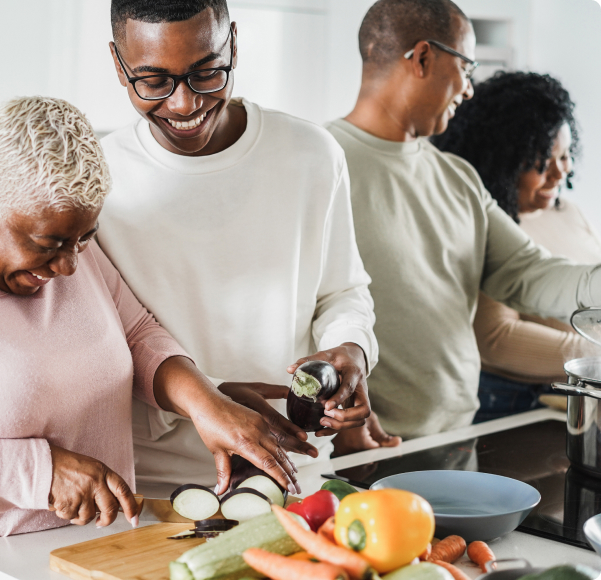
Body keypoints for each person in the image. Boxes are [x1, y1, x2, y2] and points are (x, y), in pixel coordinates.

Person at [0, 96, 301, 580]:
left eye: (84, 240)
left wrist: (204, 401)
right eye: (49, 246)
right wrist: (42, 474)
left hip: (103, 557)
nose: (69, 267)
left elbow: (135, 333)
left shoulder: (63, 234)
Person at [97, 0, 400, 488]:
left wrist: (352, 349)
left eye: (207, 73)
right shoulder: (99, 179)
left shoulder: (311, 153)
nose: (184, 105)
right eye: (153, 82)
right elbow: (97, 347)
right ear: (118, 63)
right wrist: (211, 396)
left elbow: (342, 291)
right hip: (155, 484)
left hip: (293, 472)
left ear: (233, 43)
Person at [325, 0, 601, 439]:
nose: (469, 90)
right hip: (363, 446)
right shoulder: (322, 164)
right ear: (422, 58)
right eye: (466, 68)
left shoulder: (457, 177)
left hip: (457, 437)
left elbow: (529, 274)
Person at [432, 71, 601, 422]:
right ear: (504, 160)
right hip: (517, 400)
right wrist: (590, 357)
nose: (558, 174)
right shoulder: (487, 227)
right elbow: (497, 336)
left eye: (565, 156)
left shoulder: (569, 212)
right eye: (540, 162)